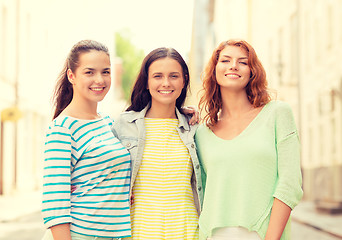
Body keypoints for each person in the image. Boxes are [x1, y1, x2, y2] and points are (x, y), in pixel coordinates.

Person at [195, 39, 303, 240]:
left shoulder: (278, 114)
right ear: (215, 70)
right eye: (226, 60)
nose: (233, 65)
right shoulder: (201, 133)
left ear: (252, 71)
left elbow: (290, 184)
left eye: (243, 62)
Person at [42, 40, 131, 240]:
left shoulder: (108, 124)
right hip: (83, 234)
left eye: (105, 72)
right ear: (71, 76)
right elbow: (55, 204)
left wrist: (183, 113)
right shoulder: (62, 129)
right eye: (89, 72)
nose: (99, 79)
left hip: (118, 234)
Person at [113, 47, 203, 239]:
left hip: (187, 232)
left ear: (184, 80)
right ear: (146, 81)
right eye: (157, 76)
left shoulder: (196, 128)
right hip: (138, 231)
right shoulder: (124, 125)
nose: (166, 83)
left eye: (173, 76)